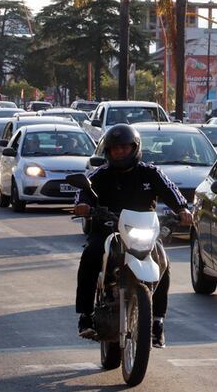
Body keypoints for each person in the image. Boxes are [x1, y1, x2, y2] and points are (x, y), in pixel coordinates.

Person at [72, 123, 193, 348]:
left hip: (144, 232)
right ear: (108, 152)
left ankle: (157, 322)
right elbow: (84, 192)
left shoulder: (150, 173)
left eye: (124, 148)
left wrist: (182, 209)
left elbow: (171, 191)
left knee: (163, 263)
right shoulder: (100, 175)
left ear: (134, 148)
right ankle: (85, 315)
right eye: (114, 149)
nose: (119, 152)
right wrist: (82, 205)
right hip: (109, 231)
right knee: (91, 255)